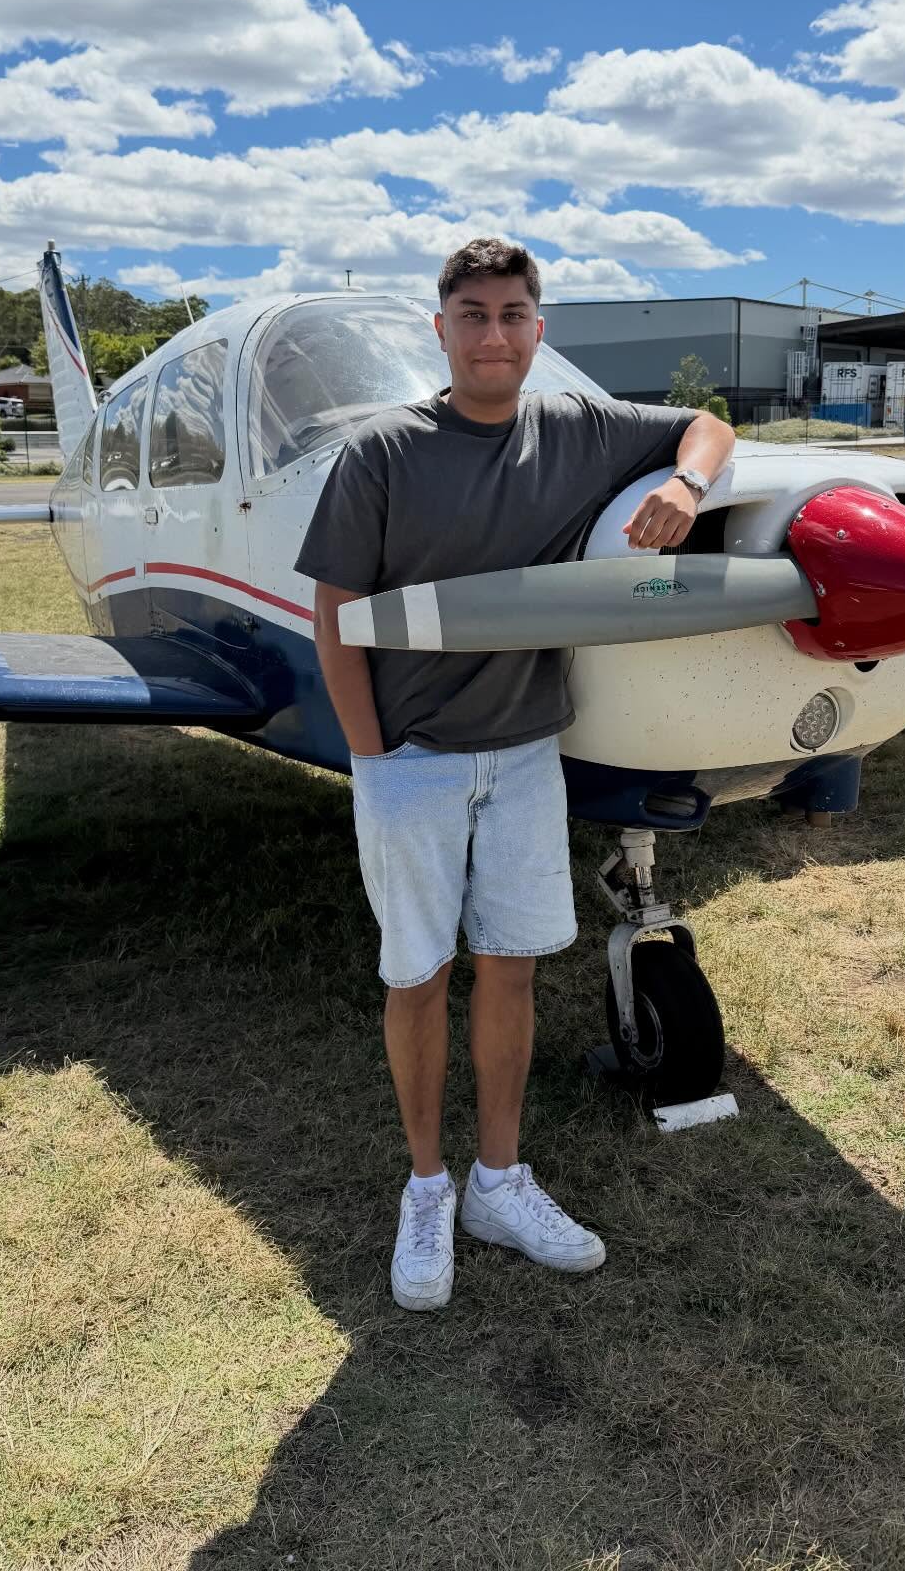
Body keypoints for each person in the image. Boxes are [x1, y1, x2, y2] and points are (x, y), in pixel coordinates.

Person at [297, 237, 737, 1310]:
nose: (492, 335)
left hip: (528, 754)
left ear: (538, 330)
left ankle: (498, 1180)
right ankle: (427, 1187)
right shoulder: (383, 452)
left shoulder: (576, 427)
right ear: (441, 331)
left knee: (510, 969)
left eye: (511, 315)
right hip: (412, 762)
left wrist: (686, 484)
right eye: (472, 316)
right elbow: (334, 617)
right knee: (416, 976)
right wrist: (372, 757)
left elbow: (710, 424)